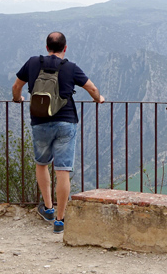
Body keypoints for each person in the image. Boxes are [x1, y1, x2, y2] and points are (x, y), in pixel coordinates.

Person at [12, 31, 105, 234]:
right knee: (63, 171)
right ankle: (60, 220)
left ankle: (48, 208)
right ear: (65, 48)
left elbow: (16, 86)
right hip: (66, 123)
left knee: (42, 164)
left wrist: (17, 99)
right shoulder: (70, 67)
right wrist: (99, 99)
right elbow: (92, 88)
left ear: (46, 48)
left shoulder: (32, 63)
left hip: (40, 122)